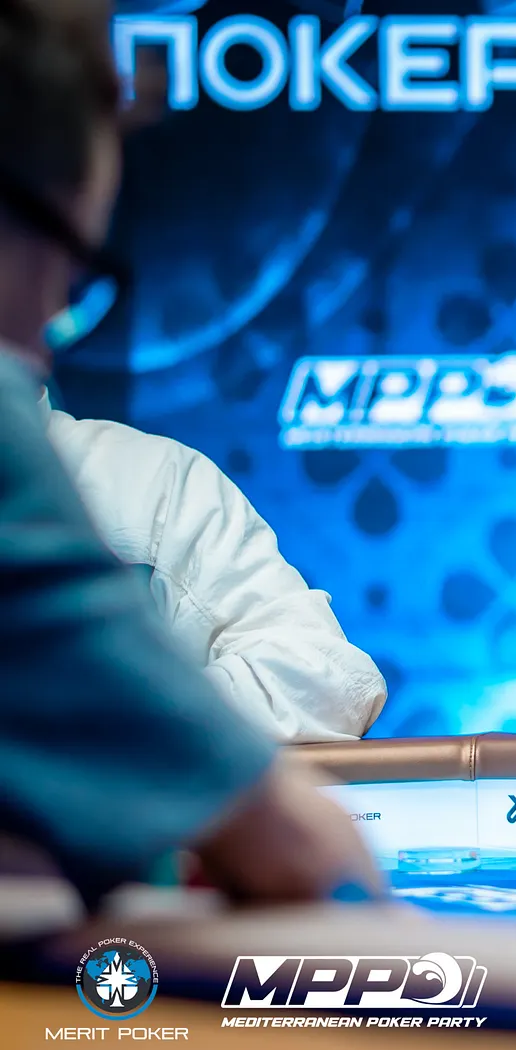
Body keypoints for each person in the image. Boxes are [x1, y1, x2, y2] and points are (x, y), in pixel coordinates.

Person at [0, 0, 380, 908]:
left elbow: (326, 674)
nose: (52, 323)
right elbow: (308, 857)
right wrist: (165, 762)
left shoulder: (152, 484)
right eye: (70, 266)